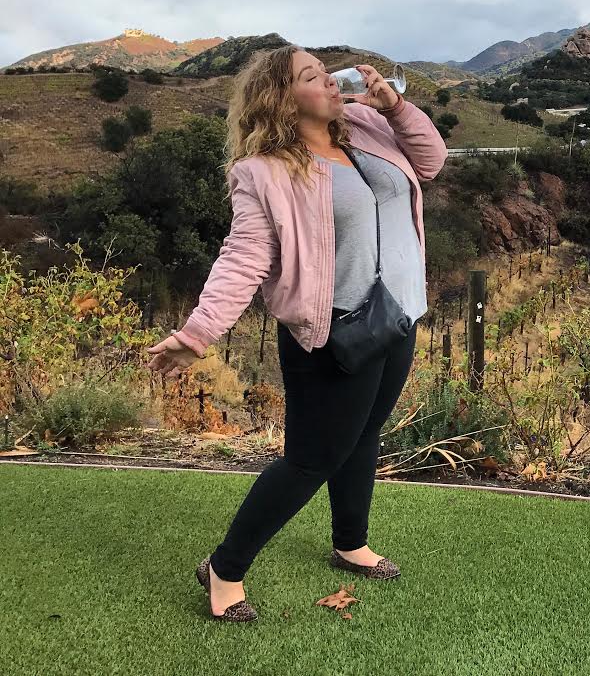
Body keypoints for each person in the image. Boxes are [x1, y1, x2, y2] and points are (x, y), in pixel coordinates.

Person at [146, 47, 447, 622]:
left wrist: (396, 106)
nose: (335, 83)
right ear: (282, 100)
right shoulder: (265, 172)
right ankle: (225, 568)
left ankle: (349, 542)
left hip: (397, 313)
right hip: (334, 331)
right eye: (314, 77)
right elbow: (243, 258)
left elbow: (430, 164)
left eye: (329, 72)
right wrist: (200, 331)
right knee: (311, 459)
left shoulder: (362, 124)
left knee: (364, 436)